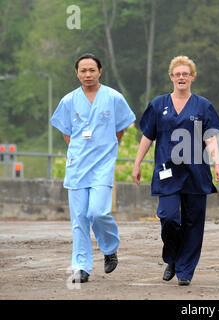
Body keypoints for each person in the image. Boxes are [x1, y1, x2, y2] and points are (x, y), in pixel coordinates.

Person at [132, 56, 219, 286]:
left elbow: (210, 137)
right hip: (167, 172)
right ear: (171, 77)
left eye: (186, 74)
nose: (181, 77)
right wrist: (137, 163)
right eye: (177, 74)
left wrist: (218, 163)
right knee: (169, 216)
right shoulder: (158, 104)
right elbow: (147, 136)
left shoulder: (203, 106)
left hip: (196, 172)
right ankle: (172, 258)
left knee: (194, 222)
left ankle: (185, 270)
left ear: (192, 77)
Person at [50, 53, 136, 283]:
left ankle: (109, 248)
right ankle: (81, 266)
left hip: (102, 166)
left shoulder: (114, 97)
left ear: (100, 71)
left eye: (92, 70)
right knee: (79, 219)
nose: (87, 74)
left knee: (97, 212)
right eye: (83, 70)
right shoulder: (68, 101)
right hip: (77, 167)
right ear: (77, 73)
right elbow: (67, 132)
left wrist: (105, 148)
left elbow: (121, 128)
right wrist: (79, 152)